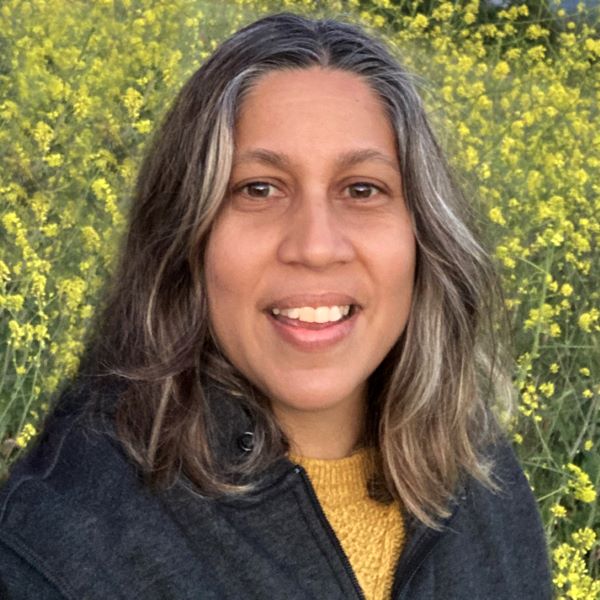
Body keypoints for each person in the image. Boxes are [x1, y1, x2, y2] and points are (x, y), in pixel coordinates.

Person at [0, 12, 552, 600]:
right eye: (258, 188)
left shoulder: (483, 478)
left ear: (424, 236)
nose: (315, 246)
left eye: (362, 190)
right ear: (186, 235)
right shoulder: (62, 553)